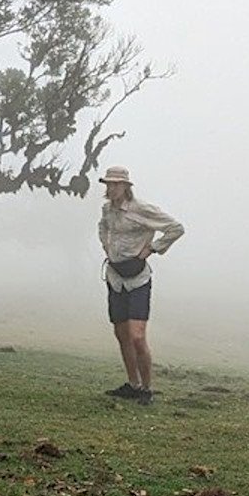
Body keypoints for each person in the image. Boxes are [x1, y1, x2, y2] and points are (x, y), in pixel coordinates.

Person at [95, 165, 184, 404]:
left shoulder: (141, 209)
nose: (111, 188)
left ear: (126, 186)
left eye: (115, 184)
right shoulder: (107, 210)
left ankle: (147, 388)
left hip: (137, 279)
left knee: (137, 336)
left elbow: (176, 228)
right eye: (108, 184)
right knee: (121, 334)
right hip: (115, 277)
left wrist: (152, 248)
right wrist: (106, 245)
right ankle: (132, 384)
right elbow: (103, 227)